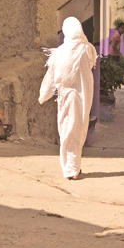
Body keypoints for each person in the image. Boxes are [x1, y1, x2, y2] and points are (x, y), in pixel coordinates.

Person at [38, 17, 97, 180]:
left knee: (66, 131)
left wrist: (44, 95)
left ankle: (69, 168)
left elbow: (51, 76)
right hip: (82, 97)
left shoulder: (60, 53)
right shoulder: (88, 49)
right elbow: (92, 64)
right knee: (78, 131)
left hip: (65, 98)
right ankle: (73, 168)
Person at [108, 21, 124, 89]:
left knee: (115, 70)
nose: (123, 30)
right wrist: (119, 53)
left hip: (113, 55)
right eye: (122, 28)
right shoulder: (117, 36)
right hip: (115, 55)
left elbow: (111, 42)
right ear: (119, 28)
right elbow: (114, 46)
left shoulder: (116, 34)